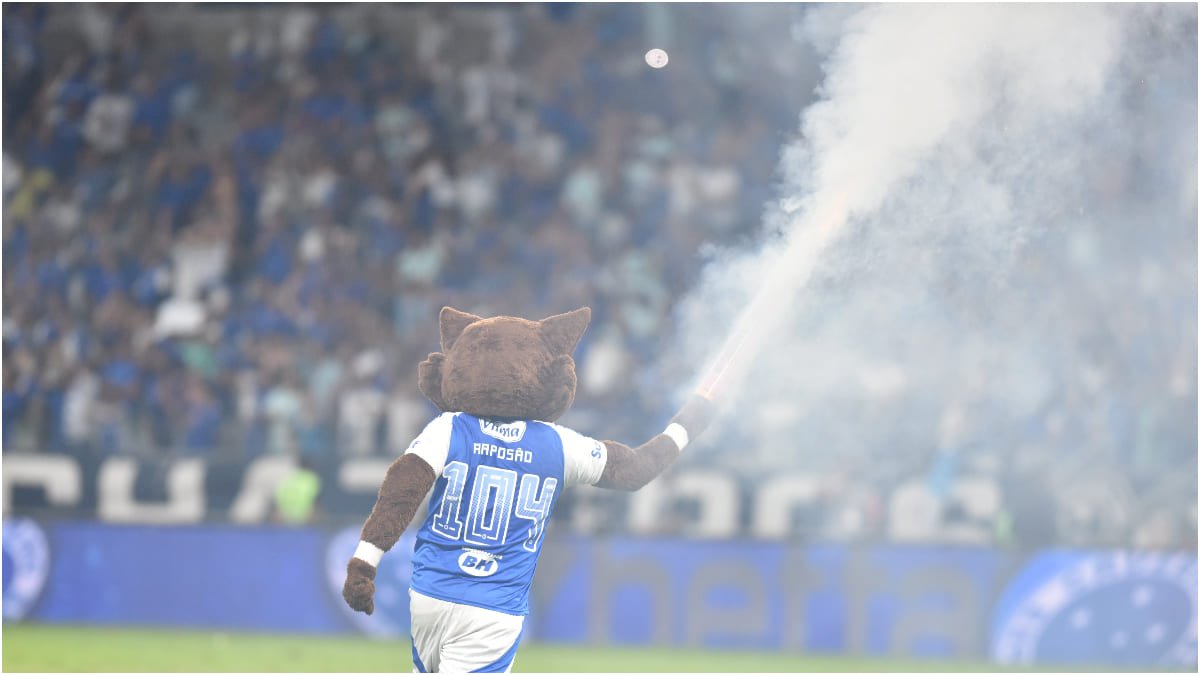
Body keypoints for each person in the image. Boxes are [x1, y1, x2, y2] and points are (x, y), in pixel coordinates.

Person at [342, 307, 714, 672]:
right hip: (493, 608)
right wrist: (684, 428)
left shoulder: (448, 428)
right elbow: (634, 470)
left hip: (428, 597)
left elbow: (400, 491)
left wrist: (364, 562)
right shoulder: (558, 445)